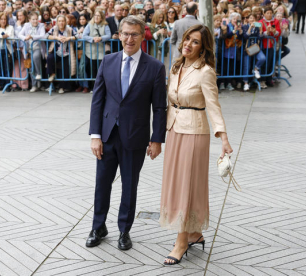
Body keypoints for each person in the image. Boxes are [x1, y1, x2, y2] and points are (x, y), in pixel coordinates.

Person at [87, 15, 166, 251]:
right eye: (125, 33)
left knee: (129, 186)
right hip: (107, 135)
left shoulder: (155, 67)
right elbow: (97, 100)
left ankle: (124, 230)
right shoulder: (108, 61)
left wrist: (156, 139)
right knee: (102, 183)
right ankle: (98, 226)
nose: (129, 38)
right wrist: (95, 135)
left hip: (135, 137)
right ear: (119, 35)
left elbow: (159, 107)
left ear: (143, 36)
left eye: (134, 34)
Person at [160, 24, 232, 265]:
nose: (188, 44)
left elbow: (213, 105)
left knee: (186, 185)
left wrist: (223, 137)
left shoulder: (206, 72)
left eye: (195, 42)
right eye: (187, 39)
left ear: (203, 48)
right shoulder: (176, 66)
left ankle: (181, 242)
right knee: (177, 182)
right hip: (174, 130)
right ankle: (193, 232)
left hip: (194, 133)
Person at [46, 14, 76, 94]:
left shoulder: (69, 29)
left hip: (66, 53)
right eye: (59, 21)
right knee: (50, 58)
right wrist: (56, 37)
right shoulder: (54, 29)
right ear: (57, 22)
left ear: (65, 22)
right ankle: (52, 74)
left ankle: (62, 87)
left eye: (62, 21)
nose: (61, 23)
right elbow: (47, 36)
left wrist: (68, 38)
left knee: (65, 69)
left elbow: (77, 36)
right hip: (56, 51)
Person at [83, 10, 111, 89]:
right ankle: (93, 87)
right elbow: (84, 35)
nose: (96, 17)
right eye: (95, 15)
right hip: (91, 51)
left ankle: (101, 87)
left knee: (101, 70)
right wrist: (92, 39)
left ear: (102, 17)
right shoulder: (89, 25)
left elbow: (109, 35)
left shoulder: (105, 25)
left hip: (101, 50)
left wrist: (101, 38)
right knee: (93, 69)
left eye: (98, 15)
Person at [0, 11, 14, 91]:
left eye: (5, 19)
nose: (3, 21)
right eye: (1, 19)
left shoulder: (10, 27)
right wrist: (2, 36)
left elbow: (13, 40)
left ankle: (7, 84)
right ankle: (1, 84)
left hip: (7, 49)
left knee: (7, 67)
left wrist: (8, 40)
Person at [242, 13, 265, 91]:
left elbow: (260, 37)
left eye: (253, 18)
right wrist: (250, 28)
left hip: (255, 48)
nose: (252, 20)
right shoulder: (244, 26)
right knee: (246, 66)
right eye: (250, 18)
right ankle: (246, 83)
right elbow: (245, 36)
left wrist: (261, 30)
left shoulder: (257, 27)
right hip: (247, 49)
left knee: (262, 58)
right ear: (248, 19)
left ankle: (255, 69)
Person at [12, 9, 29, 91]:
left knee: (23, 66)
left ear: (25, 16)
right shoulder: (16, 24)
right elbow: (15, 36)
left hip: (24, 48)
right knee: (16, 66)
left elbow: (20, 35)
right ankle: (15, 83)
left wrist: (18, 27)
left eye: (21, 15)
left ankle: (24, 85)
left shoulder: (27, 25)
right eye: (18, 15)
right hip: (17, 48)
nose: (19, 17)